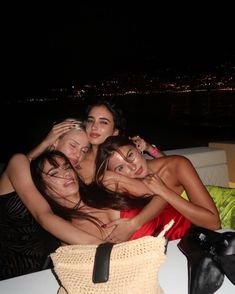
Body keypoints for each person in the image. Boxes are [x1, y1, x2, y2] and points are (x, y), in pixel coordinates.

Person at [0, 119, 101, 280]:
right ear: (55, 141)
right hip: (11, 271)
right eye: (73, 146)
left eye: (84, 150)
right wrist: (103, 246)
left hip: (48, 270)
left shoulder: (68, 178)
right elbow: (43, 216)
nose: (78, 155)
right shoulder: (19, 163)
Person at [30, 149, 190, 244]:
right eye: (54, 173)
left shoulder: (105, 183)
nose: (66, 174)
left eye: (66, 167)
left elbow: (163, 194)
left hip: (189, 233)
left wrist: (135, 223)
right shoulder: (70, 229)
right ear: (44, 189)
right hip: (159, 263)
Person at [94, 135, 225, 235]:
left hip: (225, 209)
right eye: (121, 168)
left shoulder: (178, 164)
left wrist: (164, 191)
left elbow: (213, 223)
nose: (132, 167)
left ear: (138, 149)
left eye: (131, 155)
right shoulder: (130, 183)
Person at [78, 99, 165, 184]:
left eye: (103, 122)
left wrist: (149, 148)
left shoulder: (121, 156)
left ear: (115, 132)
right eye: (90, 120)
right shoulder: (78, 159)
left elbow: (168, 165)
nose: (94, 126)